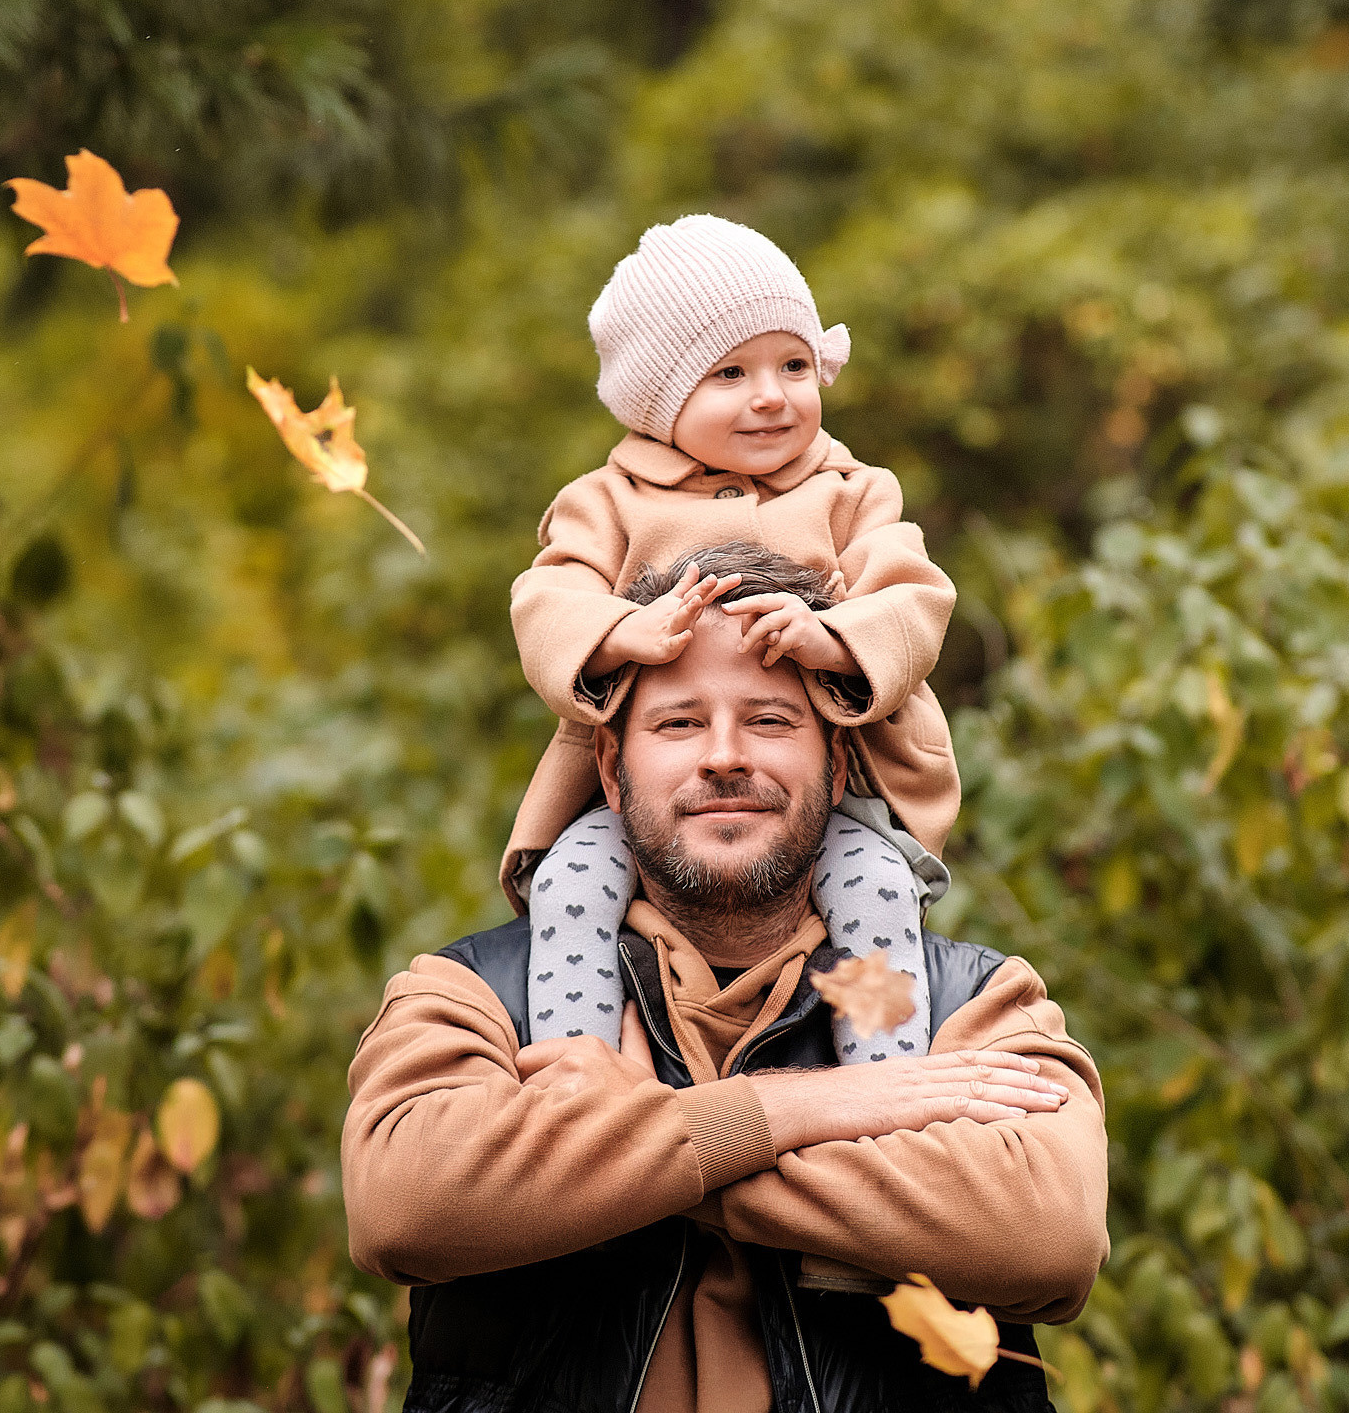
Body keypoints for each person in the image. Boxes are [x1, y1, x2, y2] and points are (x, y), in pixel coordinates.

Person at [342, 550, 1110, 1411]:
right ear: (609, 766)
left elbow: (1046, 1235)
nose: (723, 757)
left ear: (840, 760)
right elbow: (405, 1206)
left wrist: (623, 1147)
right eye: (677, 724)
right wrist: (796, 1112)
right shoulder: (477, 996)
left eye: (771, 721)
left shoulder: (970, 1004)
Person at [512, 214, 957, 1064]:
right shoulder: (607, 502)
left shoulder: (852, 491)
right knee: (573, 882)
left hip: (829, 788)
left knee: (874, 892)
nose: (771, 395)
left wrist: (834, 640)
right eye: (729, 373)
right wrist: (618, 632)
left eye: (794, 365)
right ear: (658, 398)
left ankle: (887, 1080)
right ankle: (578, 1072)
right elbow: (546, 599)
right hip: (644, 798)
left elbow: (914, 597)